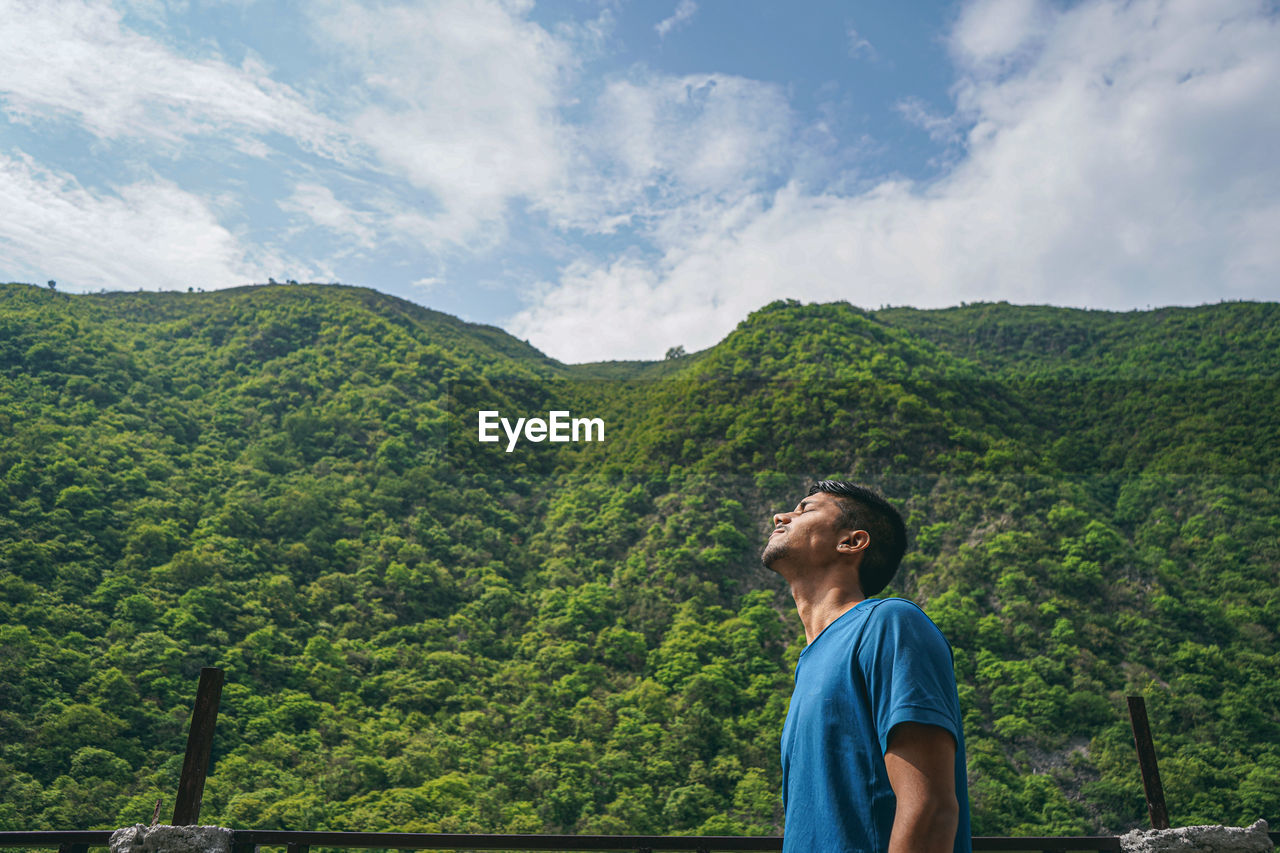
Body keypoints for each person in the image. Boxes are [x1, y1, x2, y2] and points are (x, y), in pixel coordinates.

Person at [762, 480, 971, 853]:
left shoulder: (889, 624)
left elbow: (932, 808)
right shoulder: (808, 664)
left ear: (851, 542)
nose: (781, 516)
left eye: (806, 509)